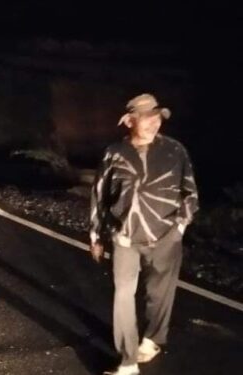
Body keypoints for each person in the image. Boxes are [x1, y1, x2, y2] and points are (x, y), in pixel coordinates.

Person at [89, 93, 199, 375]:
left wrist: (180, 228)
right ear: (129, 121)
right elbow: (100, 194)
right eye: (146, 118)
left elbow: (190, 192)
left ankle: (152, 340)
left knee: (159, 294)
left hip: (165, 236)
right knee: (123, 296)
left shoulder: (176, 151)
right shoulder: (113, 153)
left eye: (157, 118)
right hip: (124, 237)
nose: (154, 123)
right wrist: (96, 235)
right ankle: (127, 361)